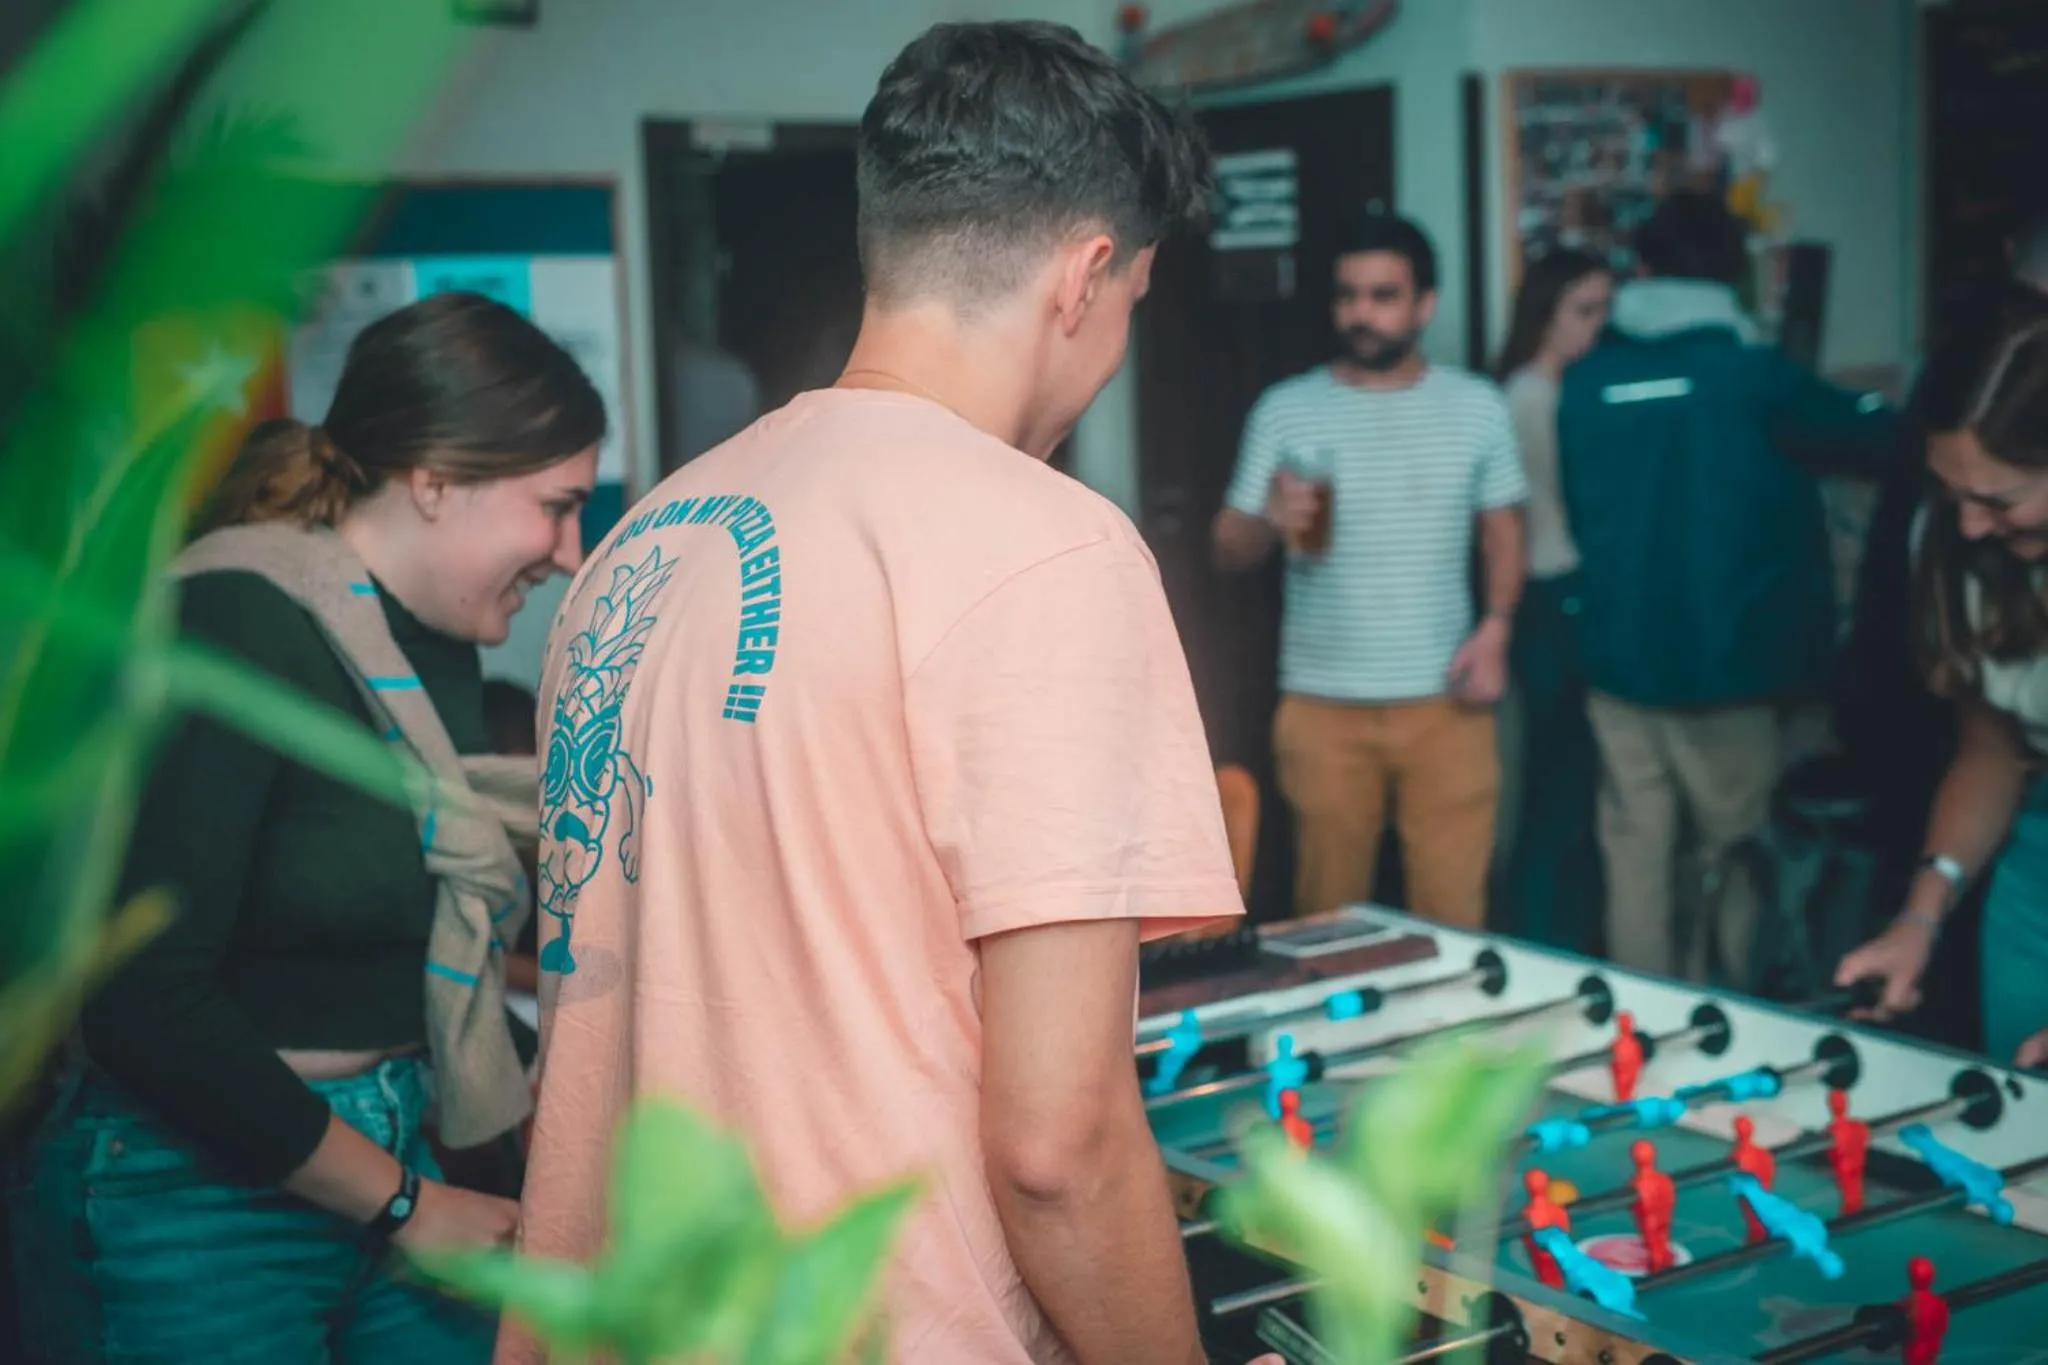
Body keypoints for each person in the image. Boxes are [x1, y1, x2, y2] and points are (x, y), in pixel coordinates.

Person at [512, 23, 1263, 1365]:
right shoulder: (1050, 547)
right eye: (1134, 306)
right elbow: (1057, 1140)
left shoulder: (650, 538)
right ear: (1087, 278)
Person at [10, 291, 603, 1365]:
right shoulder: (233, 620)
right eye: (554, 506)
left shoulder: (435, 651)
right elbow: (141, 998)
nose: (570, 552)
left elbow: (404, 954)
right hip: (196, 1195)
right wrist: (405, 1207)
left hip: (399, 1140)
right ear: (437, 481)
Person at [1557, 192, 1896, 983]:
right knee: (1737, 854)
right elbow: (1881, 434)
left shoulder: (1589, 378)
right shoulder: (1753, 375)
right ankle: (1731, 1019)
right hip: (1730, 668)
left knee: (1635, 855)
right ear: (1734, 277)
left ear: (1639, 269)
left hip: (1615, 660)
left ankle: (1638, 1026)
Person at [1212, 213, 1529, 928]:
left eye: (1383, 295)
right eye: (1348, 296)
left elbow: (1504, 528)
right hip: (1322, 704)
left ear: (1425, 305)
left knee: (1453, 915)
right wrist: (1268, 517)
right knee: (1326, 918)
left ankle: (1445, 1042)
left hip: (1447, 700)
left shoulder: (1477, 406)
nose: (1362, 313)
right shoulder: (1286, 409)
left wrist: (1499, 628)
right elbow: (1226, 550)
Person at [1835, 320, 2048, 1071]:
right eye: (1951, 491)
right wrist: (1920, 919)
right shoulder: (1959, 539)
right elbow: (1992, 755)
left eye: (1998, 497)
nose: (1968, 523)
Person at [1491, 248, 1613, 951]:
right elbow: (1555, 516)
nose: (1595, 328)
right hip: (1548, 599)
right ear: (1547, 311)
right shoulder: (1532, 397)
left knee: (1560, 785)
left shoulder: (1542, 389)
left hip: (1551, 599)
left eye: (1603, 311)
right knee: (1556, 787)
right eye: (1584, 310)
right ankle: (1545, 937)